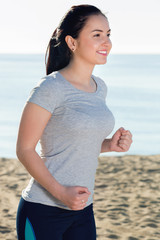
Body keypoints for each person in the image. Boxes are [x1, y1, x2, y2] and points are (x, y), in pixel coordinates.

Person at [16, 4, 132, 240]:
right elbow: (25, 149)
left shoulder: (100, 87)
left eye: (108, 35)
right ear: (72, 42)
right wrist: (60, 192)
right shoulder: (50, 88)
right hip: (43, 210)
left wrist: (109, 144)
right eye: (97, 35)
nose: (106, 42)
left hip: (83, 210)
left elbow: (74, 142)